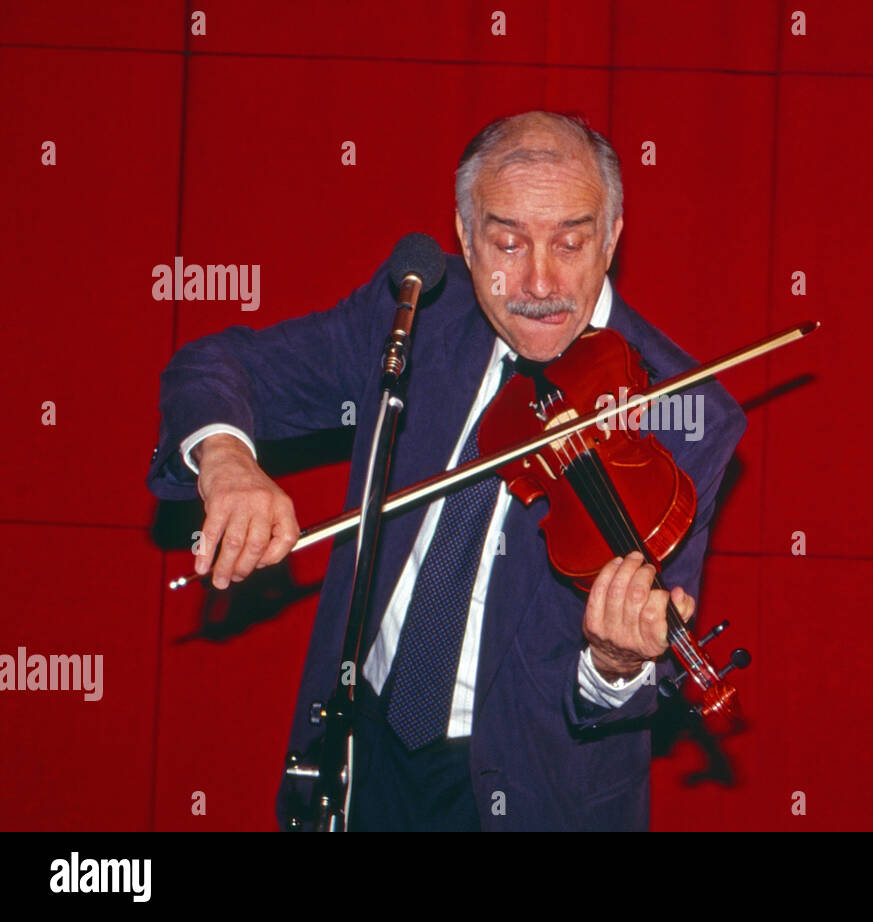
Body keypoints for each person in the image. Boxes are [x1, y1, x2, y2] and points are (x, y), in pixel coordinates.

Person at [146, 110, 746, 831]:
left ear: (613, 237)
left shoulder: (686, 413)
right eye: (507, 241)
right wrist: (226, 459)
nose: (539, 280)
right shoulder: (415, 315)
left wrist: (614, 666)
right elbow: (218, 365)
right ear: (464, 238)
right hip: (364, 751)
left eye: (571, 240)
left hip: (530, 789)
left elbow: (644, 682)